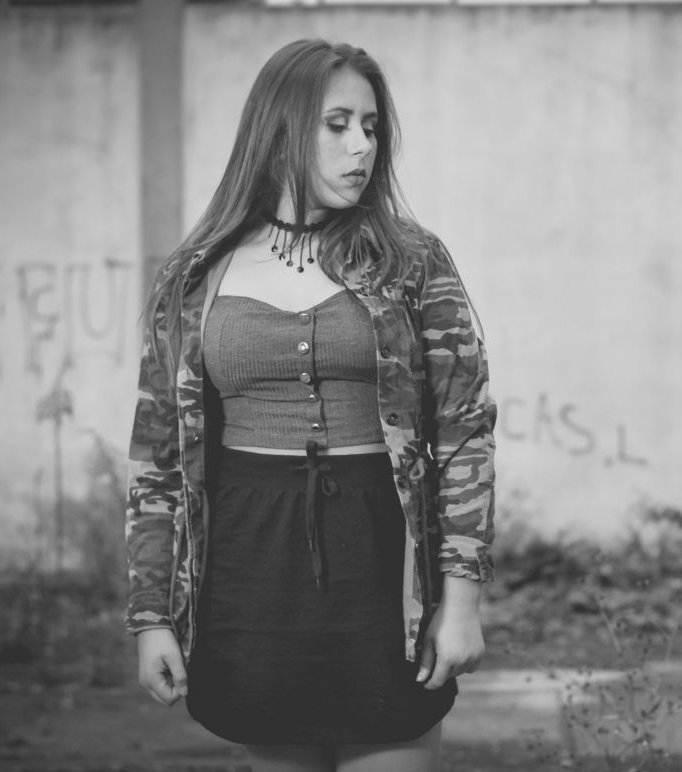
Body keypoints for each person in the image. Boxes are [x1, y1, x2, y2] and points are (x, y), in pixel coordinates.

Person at [124, 40, 497, 772]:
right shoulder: (198, 274)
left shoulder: (411, 260)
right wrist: (150, 616)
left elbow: (464, 433)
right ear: (281, 128)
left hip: (382, 561)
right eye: (338, 124)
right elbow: (158, 459)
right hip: (249, 569)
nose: (362, 146)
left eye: (371, 126)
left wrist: (461, 601)